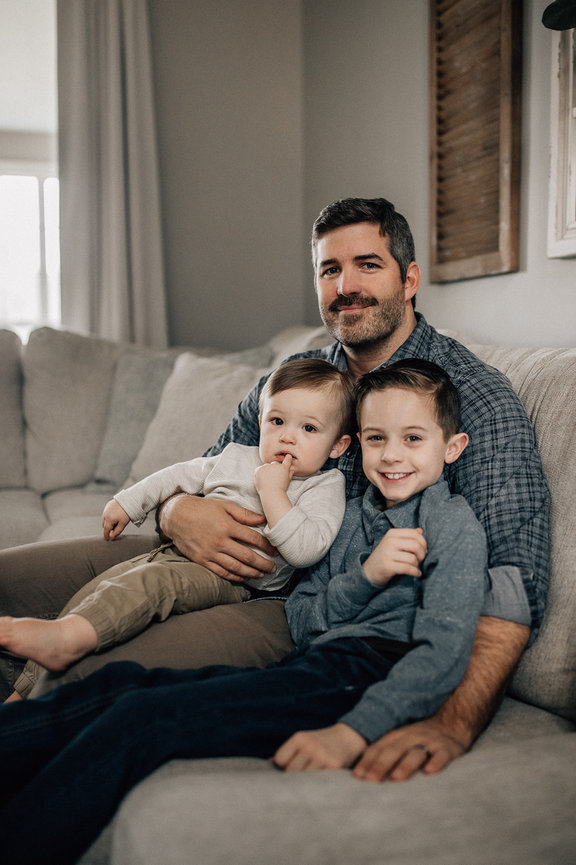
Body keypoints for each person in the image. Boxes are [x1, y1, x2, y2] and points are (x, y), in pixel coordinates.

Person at [0, 197, 549, 783]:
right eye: (329, 270)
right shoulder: (297, 375)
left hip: (285, 601)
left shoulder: (474, 398)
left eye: (368, 265)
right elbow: (211, 464)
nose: (346, 286)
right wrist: (177, 512)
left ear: (409, 279)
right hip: (198, 550)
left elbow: (514, 577)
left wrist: (456, 721)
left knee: (84, 674)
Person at [0, 359, 488, 865]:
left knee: (145, 718)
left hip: (363, 673)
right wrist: (367, 577)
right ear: (356, 443)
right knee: (117, 686)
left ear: (451, 448)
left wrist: (354, 730)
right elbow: (303, 617)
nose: (391, 456)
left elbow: (445, 650)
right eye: (376, 438)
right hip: (312, 663)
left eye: (413, 439)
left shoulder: (450, 526)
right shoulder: (353, 516)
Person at [0, 358, 353, 681]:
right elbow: (178, 475)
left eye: (309, 429)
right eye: (277, 421)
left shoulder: (324, 485)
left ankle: (65, 641)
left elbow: (306, 551)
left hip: (236, 582)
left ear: (337, 446)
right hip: (180, 551)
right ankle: (26, 685)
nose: (288, 436)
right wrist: (128, 503)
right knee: (105, 587)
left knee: (151, 585)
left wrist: (274, 494)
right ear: (260, 421)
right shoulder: (237, 456)